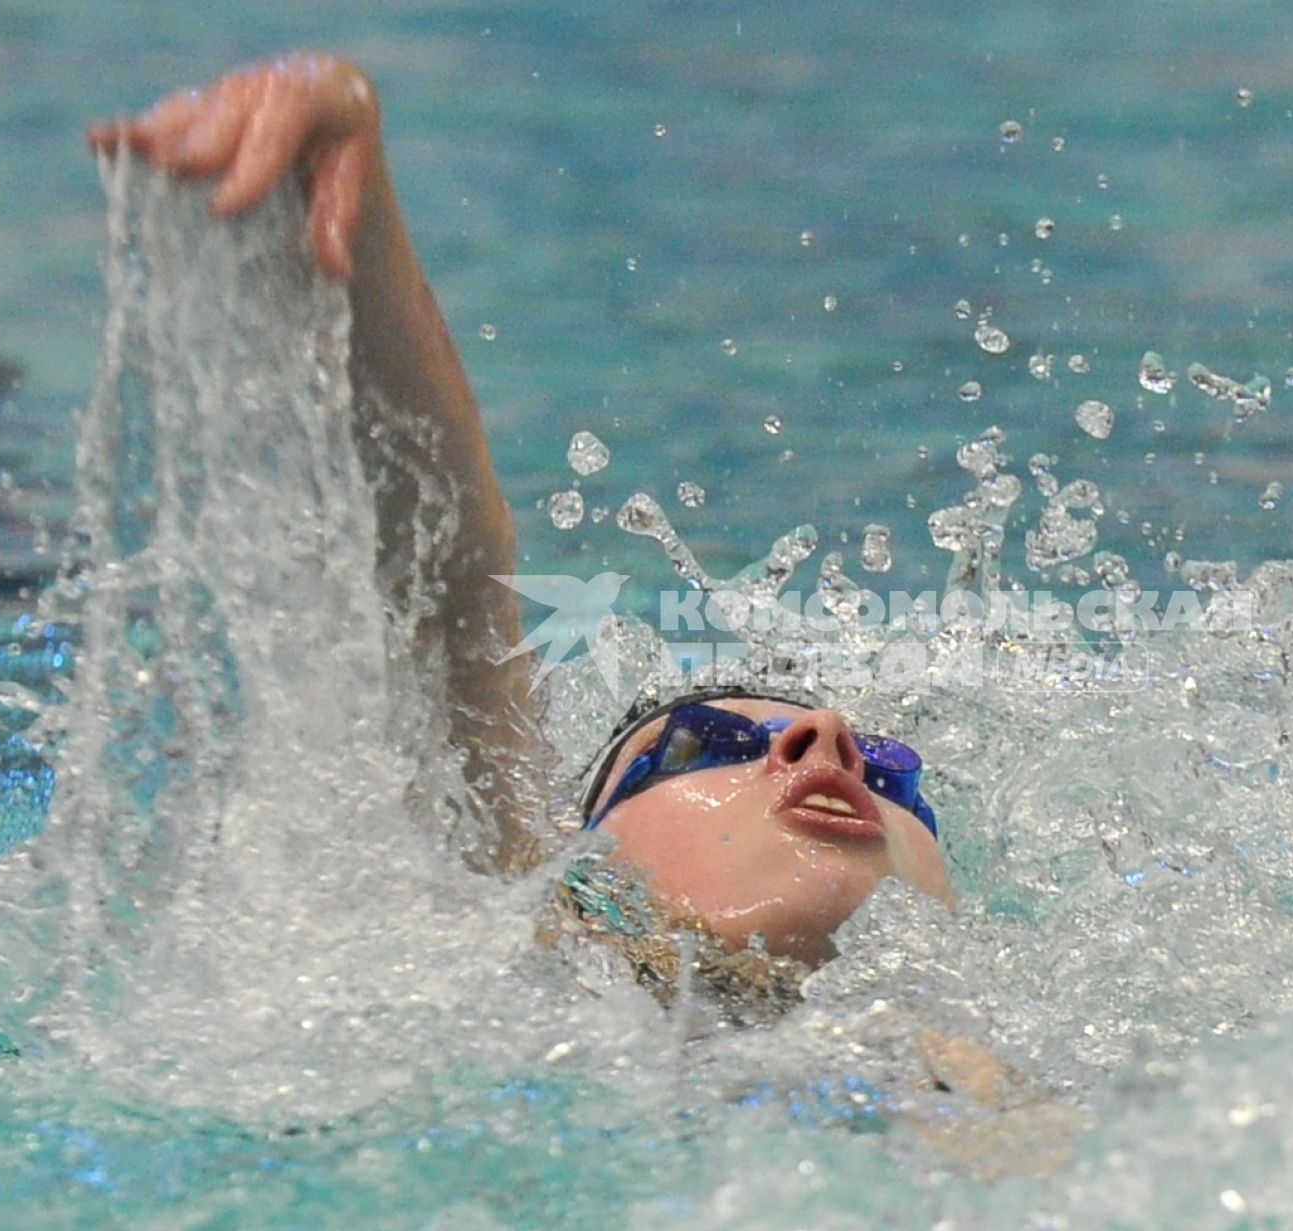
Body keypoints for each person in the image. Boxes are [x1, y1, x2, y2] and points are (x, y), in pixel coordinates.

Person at [85, 53, 955, 989]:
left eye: (889, 771)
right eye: (706, 743)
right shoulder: (528, 965)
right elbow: (447, 588)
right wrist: (352, 165)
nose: (827, 736)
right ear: (578, 867)